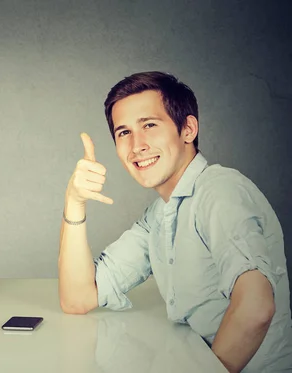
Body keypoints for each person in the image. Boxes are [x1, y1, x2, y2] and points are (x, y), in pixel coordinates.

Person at [59, 71, 291, 372]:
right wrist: (74, 201)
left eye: (150, 125)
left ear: (188, 129)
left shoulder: (220, 192)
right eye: (124, 133)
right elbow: (78, 298)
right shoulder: (159, 215)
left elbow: (256, 307)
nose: (137, 145)